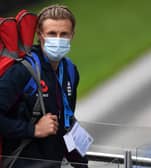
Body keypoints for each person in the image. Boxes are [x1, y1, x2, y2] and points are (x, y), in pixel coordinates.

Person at [0, 4, 88, 168]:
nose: (58, 39)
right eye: (52, 34)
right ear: (40, 35)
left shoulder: (70, 70)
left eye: (64, 34)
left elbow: (66, 119)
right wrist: (33, 130)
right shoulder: (22, 71)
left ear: (72, 36)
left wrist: (82, 163)